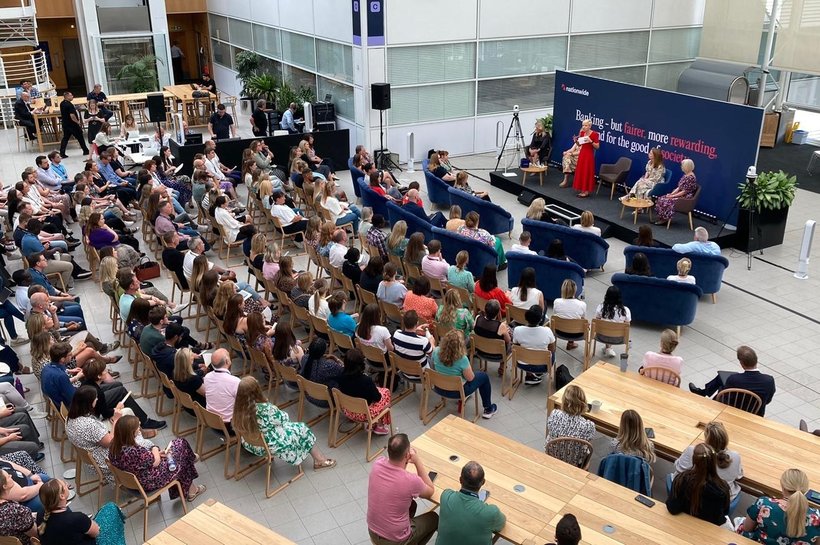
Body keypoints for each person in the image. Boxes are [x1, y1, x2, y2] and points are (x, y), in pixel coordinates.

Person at [232, 375, 336, 470]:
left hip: (250, 444)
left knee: (292, 428)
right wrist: (267, 404)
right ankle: (320, 460)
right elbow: (284, 418)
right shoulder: (264, 409)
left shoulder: (237, 409)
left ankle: (307, 455)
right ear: (257, 390)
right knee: (302, 429)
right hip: (267, 446)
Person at [109, 415, 205, 502]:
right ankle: (192, 489)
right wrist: (155, 449)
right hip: (150, 481)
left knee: (177, 452)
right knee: (181, 445)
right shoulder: (135, 451)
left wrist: (157, 454)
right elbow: (155, 462)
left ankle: (190, 462)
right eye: (137, 428)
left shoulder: (113, 447)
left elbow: (141, 462)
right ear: (132, 432)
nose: (139, 429)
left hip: (136, 480)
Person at [367, 433, 438, 545]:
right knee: (434, 518)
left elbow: (396, 473)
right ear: (407, 455)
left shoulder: (377, 464)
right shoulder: (411, 481)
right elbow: (430, 491)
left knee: (412, 505)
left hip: (372, 530)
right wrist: (417, 461)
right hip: (394, 539)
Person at [671, 421, 743, 514]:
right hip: (724, 500)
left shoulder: (693, 451)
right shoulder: (735, 456)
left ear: (706, 438)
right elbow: (739, 475)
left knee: (674, 478)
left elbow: (679, 468)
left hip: (693, 497)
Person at [738, 468, 820, 545]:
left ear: (783, 488)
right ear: (805, 490)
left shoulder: (764, 504)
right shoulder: (816, 517)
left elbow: (746, 529)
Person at [689, 345, 776, 416]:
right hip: (755, 412)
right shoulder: (769, 380)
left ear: (741, 363)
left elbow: (725, 398)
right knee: (721, 377)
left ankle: (703, 395)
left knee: (722, 385)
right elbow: (767, 401)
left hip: (734, 411)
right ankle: (702, 392)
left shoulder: (734, 379)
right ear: (757, 360)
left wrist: (721, 390)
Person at [436, 461, 505, 545]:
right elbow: (500, 525)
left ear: (460, 479)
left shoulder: (446, 496)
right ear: (483, 482)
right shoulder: (491, 512)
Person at [432, 330, 497, 418]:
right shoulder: (462, 359)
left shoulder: (436, 351)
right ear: (460, 345)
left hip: (438, 388)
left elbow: (433, 367)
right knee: (483, 376)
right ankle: (488, 409)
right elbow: (470, 378)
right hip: (457, 392)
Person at [666, 443, 730, 526]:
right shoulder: (722, 487)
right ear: (714, 461)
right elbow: (724, 512)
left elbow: (672, 508)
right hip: (709, 530)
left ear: (693, 460)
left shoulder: (681, 480)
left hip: (682, 526)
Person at [336, 349, 391, 435]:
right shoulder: (366, 380)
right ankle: (380, 426)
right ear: (361, 364)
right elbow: (377, 398)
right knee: (386, 392)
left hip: (347, 410)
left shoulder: (339, 376)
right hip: (364, 414)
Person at [512, 305, 555, 385]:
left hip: (522, 364)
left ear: (526, 317)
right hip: (542, 365)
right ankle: (536, 373)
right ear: (541, 319)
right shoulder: (547, 331)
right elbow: (552, 349)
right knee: (551, 353)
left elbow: (516, 347)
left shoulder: (517, 330)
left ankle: (529, 374)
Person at [203, 348, 240, 430]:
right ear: (227, 361)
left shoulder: (207, 377)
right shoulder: (235, 382)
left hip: (210, 419)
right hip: (229, 425)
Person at [655, 159, 698, 224]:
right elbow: (679, 187)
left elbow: (684, 192)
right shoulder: (686, 175)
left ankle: (665, 219)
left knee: (665, 201)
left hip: (685, 198)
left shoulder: (690, 178)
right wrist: (671, 194)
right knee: (662, 198)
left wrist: (672, 196)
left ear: (686, 166)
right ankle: (662, 218)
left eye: (682, 165)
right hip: (680, 194)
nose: (681, 166)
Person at [0, 469, 37, 544]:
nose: (11, 476)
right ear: (5, 486)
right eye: (8, 477)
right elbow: (35, 534)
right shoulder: (15, 510)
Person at [594, 285, 630, 358]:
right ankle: (608, 348)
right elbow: (627, 325)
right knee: (615, 327)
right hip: (618, 338)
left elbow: (597, 321)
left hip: (601, 336)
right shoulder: (625, 310)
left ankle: (608, 347)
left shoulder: (601, 307)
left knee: (606, 325)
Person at [568, 119, 599, 198]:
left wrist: (591, 141)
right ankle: (582, 189)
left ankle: (586, 191)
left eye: (585, 125)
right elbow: (580, 145)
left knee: (587, 171)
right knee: (581, 171)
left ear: (589, 126)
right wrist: (576, 141)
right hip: (582, 154)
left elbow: (597, 147)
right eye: (583, 125)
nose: (583, 127)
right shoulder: (582, 133)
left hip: (588, 155)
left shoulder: (595, 134)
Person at [552, 279, 586, 350]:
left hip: (559, 331)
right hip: (577, 334)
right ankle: (571, 343)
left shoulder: (556, 302)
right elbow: (582, 319)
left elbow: (556, 315)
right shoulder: (582, 304)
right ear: (575, 290)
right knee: (577, 321)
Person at [59, 92, 89, 157]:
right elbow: (72, 115)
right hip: (72, 124)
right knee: (80, 136)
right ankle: (85, 150)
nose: (72, 96)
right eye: (71, 95)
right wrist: (77, 122)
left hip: (65, 123)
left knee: (65, 138)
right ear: (67, 96)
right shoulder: (69, 105)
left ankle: (62, 152)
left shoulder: (62, 103)